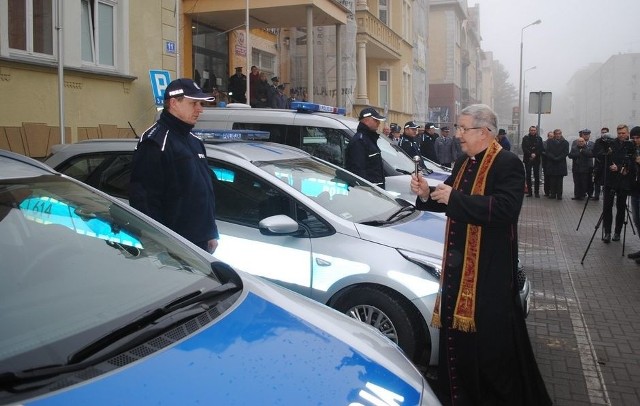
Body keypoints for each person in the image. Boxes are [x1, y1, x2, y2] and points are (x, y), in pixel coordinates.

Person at [410, 104, 551, 405]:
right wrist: (425, 193)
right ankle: (460, 393)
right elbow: (446, 197)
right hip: (458, 270)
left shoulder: (508, 163)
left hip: (488, 271)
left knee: (489, 349)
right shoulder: (464, 162)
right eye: (459, 128)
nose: (458, 135)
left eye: (464, 129)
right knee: (458, 341)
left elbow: (505, 210)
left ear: (485, 132)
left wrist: (455, 198)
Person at [129, 78, 219, 254]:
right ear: (174, 103)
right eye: (194, 103)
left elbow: (203, 192)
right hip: (174, 248)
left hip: (199, 243)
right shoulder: (155, 142)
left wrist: (210, 233)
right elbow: (145, 202)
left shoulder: (194, 141)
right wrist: (162, 247)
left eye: (200, 104)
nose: (200, 109)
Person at [595, 124, 633, 243]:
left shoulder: (631, 145)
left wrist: (619, 167)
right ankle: (607, 232)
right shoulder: (611, 143)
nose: (621, 135)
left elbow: (632, 163)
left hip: (623, 180)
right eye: (619, 133)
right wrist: (605, 148)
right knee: (607, 207)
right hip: (610, 180)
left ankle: (617, 232)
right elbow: (599, 155)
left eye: (623, 133)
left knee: (621, 208)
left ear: (627, 133)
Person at [345, 107, 386, 188]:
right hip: (368, 192)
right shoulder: (359, 141)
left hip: (376, 192)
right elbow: (358, 171)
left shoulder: (369, 139)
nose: (378, 123)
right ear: (366, 120)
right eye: (376, 120)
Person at [626, 126, 640, 262]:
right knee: (637, 220)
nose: (636, 140)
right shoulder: (633, 150)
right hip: (635, 189)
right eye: (634, 138)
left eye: (638, 137)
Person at [543, 129, 569, 200]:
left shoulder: (565, 142)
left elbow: (566, 152)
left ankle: (559, 195)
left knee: (560, 181)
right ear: (554, 134)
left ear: (561, 134)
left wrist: (558, 158)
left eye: (559, 134)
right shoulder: (550, 142)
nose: (558, 135)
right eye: (556, 134)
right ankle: (553, 194)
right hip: (552, 163)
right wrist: (554, 158)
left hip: (561, 164)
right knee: (552, 180)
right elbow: (547, 151)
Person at [521, 125, 544, 197]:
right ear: (529, 131)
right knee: (528, 176)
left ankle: (536, 192)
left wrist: (535, 154)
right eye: (532, 130)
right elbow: (524, 148)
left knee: (536, 176)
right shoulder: (525, 138)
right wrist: (530, 154)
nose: (533, 131)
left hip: (536, 159)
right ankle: (529, 192)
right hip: (528, 159)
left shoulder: (539, 139)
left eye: (534, 130)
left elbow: (541, 148)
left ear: (536, 131)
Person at [569, 136, 593, 200]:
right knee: (576, 182)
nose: (581, 142)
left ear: (584, 142)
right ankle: (577, 195)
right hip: (576, 168)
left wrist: (583, 151)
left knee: (583, 182)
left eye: (582, 141)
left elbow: (590, 155)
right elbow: (570, 155)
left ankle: (582, 195)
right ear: (577, 142)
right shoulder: (574, 148)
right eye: (579, 141)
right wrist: (578, 153)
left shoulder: (587, 148)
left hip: (585, 169)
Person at [592, 127, 611, 201]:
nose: (604, 134)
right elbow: (594, 151)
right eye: (602, 132)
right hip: (598, 163)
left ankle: (606, 196)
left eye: (605, 132)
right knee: (597, 180)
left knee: (606, 180)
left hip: (607, 164)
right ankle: (596, 195)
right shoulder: (598, 141)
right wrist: (598, 155)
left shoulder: (610, 141)